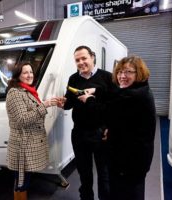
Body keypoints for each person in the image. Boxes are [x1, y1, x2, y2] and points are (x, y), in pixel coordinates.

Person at [58, 45, 112, 200]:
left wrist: (109, 127)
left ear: (92, 57)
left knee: (104, 174)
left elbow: (114, 105)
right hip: (80, 133)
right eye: (77, 60)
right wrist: (63, 103)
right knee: (84, 173)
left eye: (84, 58)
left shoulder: (107, 77)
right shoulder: (73, 79)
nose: (81, 62)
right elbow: (69, 103)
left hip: (101, 133)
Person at [5, 62, 58, 200]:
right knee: (21, 181)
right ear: (18, 75)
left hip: (29, 144)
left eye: (31, 72)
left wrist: (46, 103)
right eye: (25, 73)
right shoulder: (15, 93)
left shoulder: (28, 90)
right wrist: (44, 105)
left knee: (24, 179)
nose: (29, 75)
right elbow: (22, 120)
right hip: (23, 145)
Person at [106, 55, 156, 200]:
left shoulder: (134, 95)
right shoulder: (141, 89)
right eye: (120, 71)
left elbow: (108, 113)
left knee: (128, 193)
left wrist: (89, 99)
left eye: (128, 72)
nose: (122, 76)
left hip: (130, 160)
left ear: (138, 73)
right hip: (133, 158)